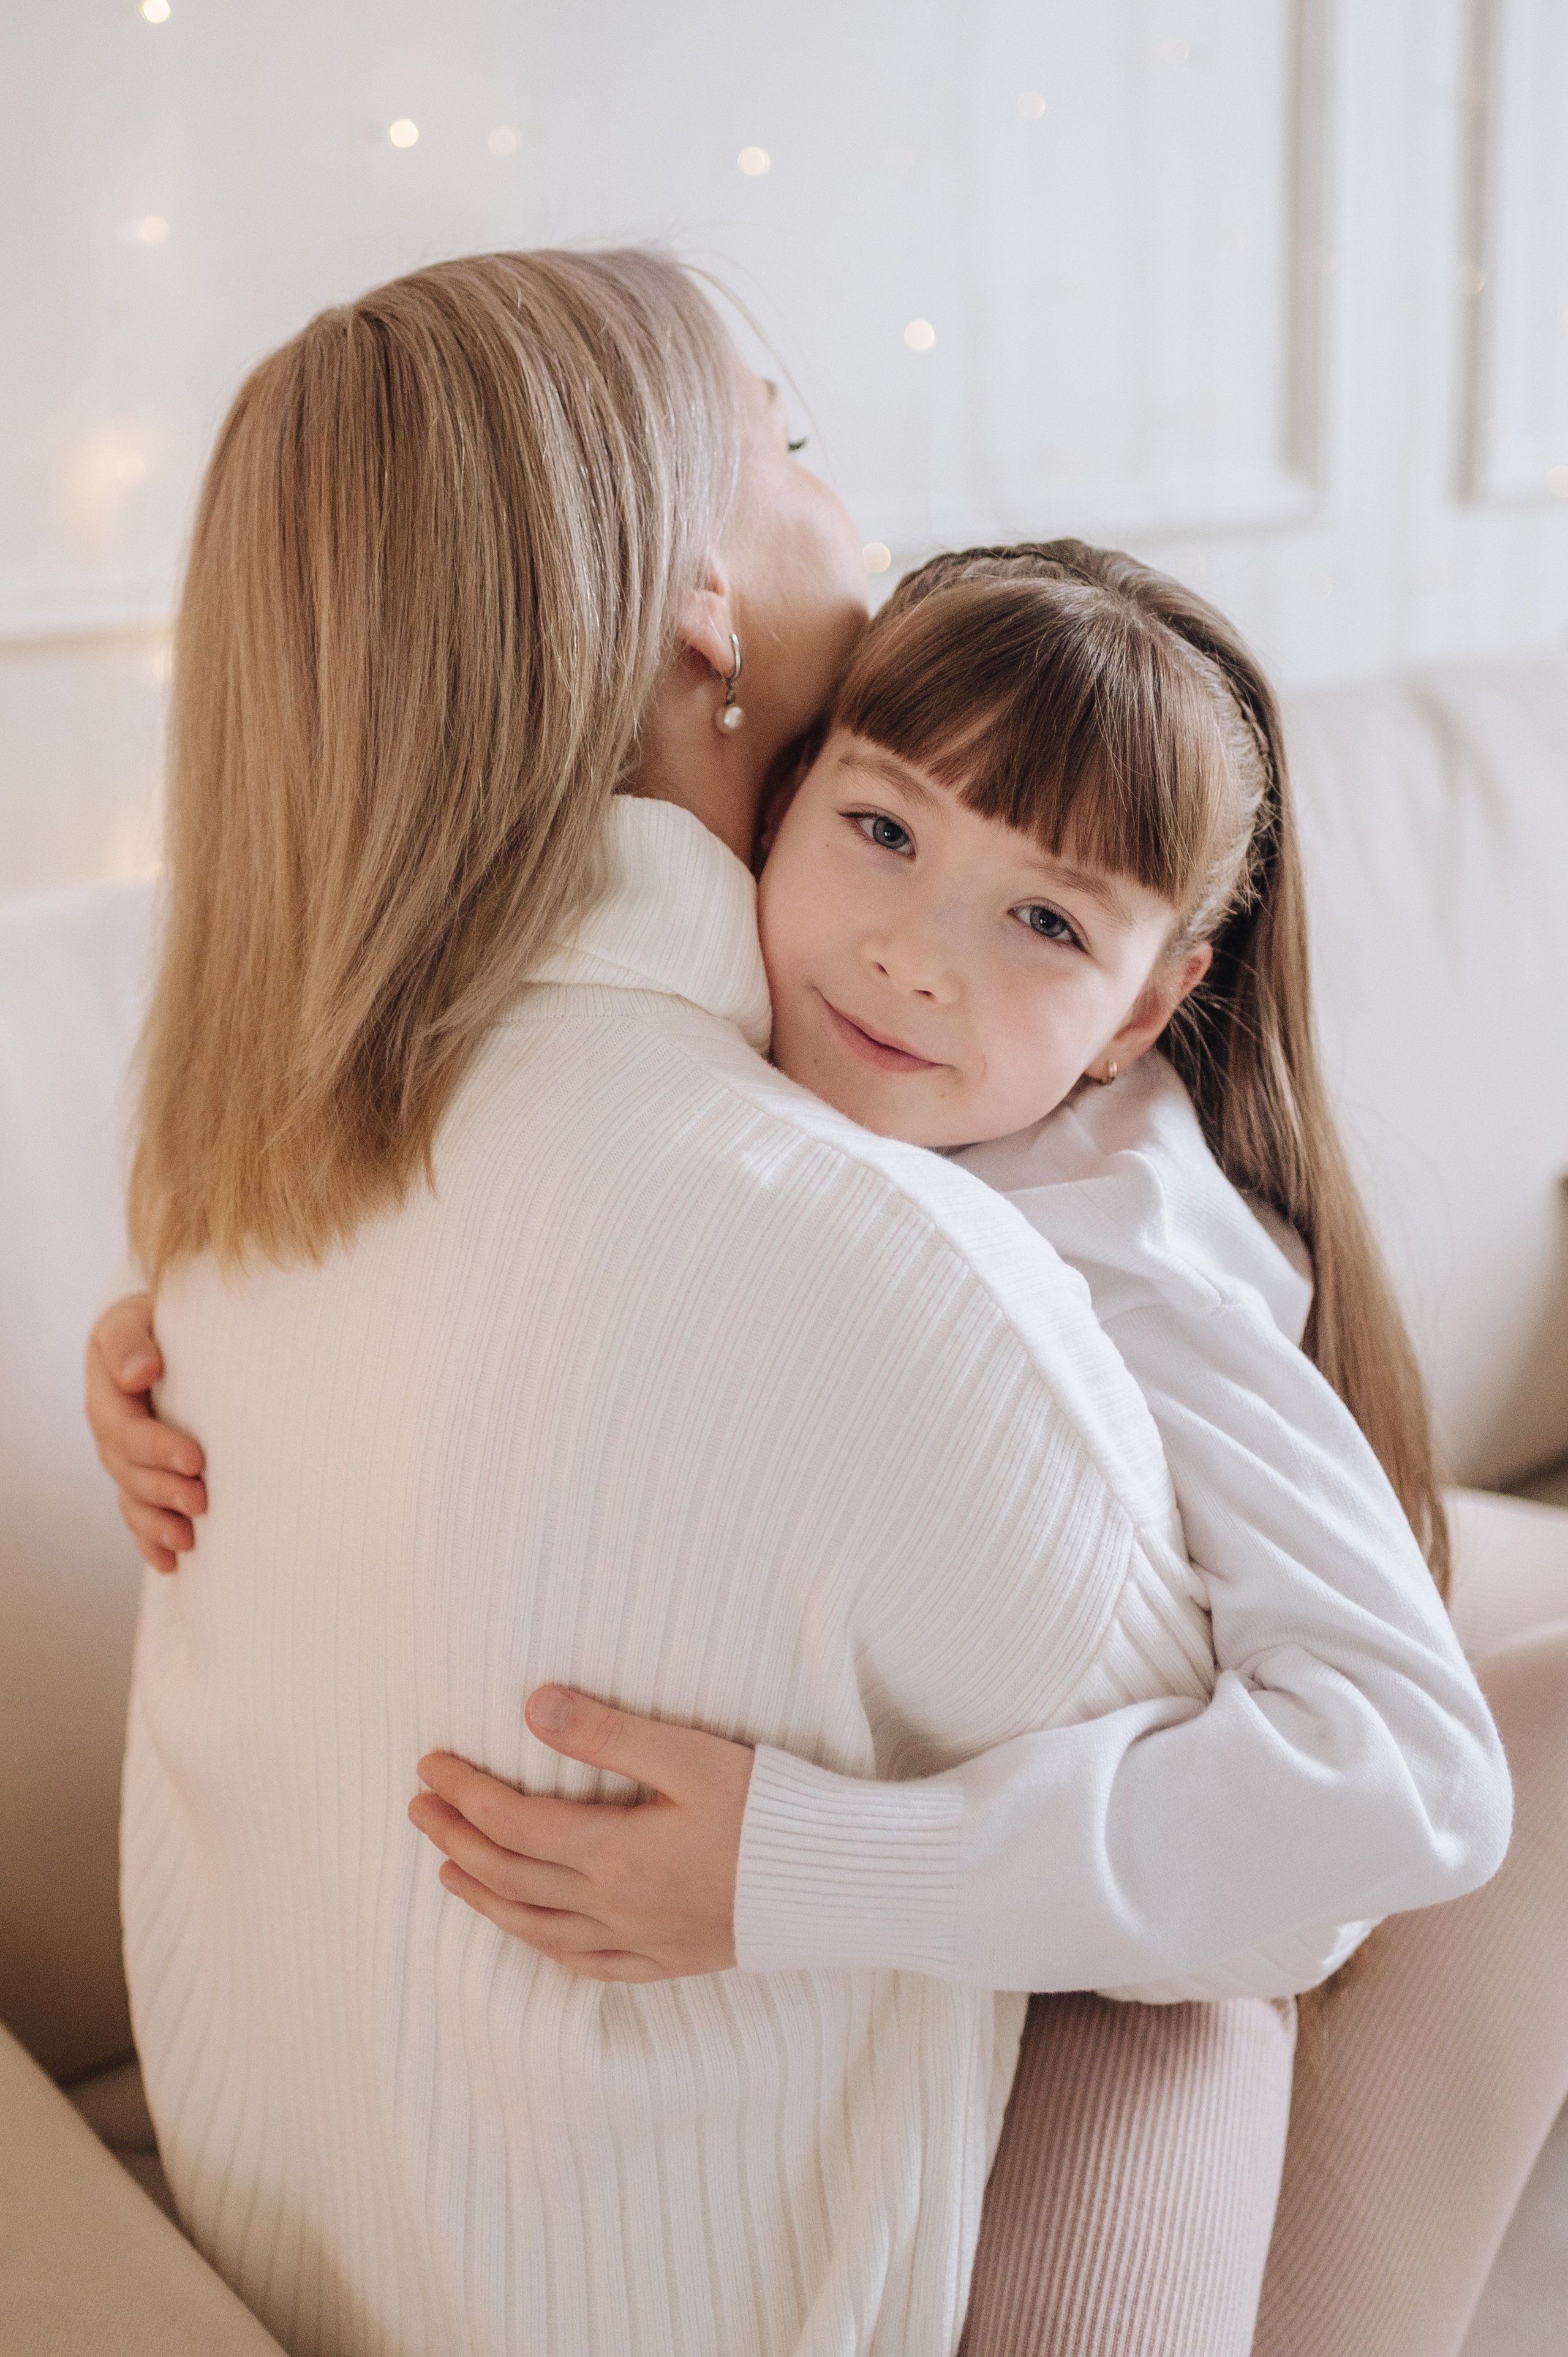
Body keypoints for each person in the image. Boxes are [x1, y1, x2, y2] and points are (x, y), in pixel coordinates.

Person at [80, 251, 1534, 2357]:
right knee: (1236, 1948)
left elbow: (1344, 1790)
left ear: (1150, 1006)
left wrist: (803, 1866)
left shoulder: (288, 1165)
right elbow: (1284, 1893)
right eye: (800, 447)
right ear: (702, 608)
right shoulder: (851, 1249)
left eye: (1045, 921)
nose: (923, 959)